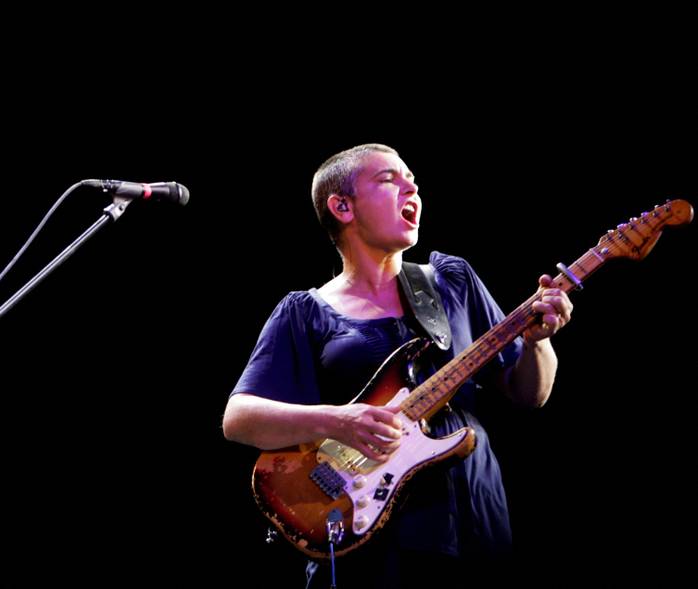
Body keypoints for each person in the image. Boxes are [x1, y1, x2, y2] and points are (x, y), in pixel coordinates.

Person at [222, 143, 573, 588]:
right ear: (342, 206)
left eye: (413, 180)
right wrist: (340, 420)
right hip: (368, 535)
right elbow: (239, 419)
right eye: (390, 179)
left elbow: (529, 394)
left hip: (474, 517)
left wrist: (537, 343)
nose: (412, 186)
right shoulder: (303, 311)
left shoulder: (451, 281)